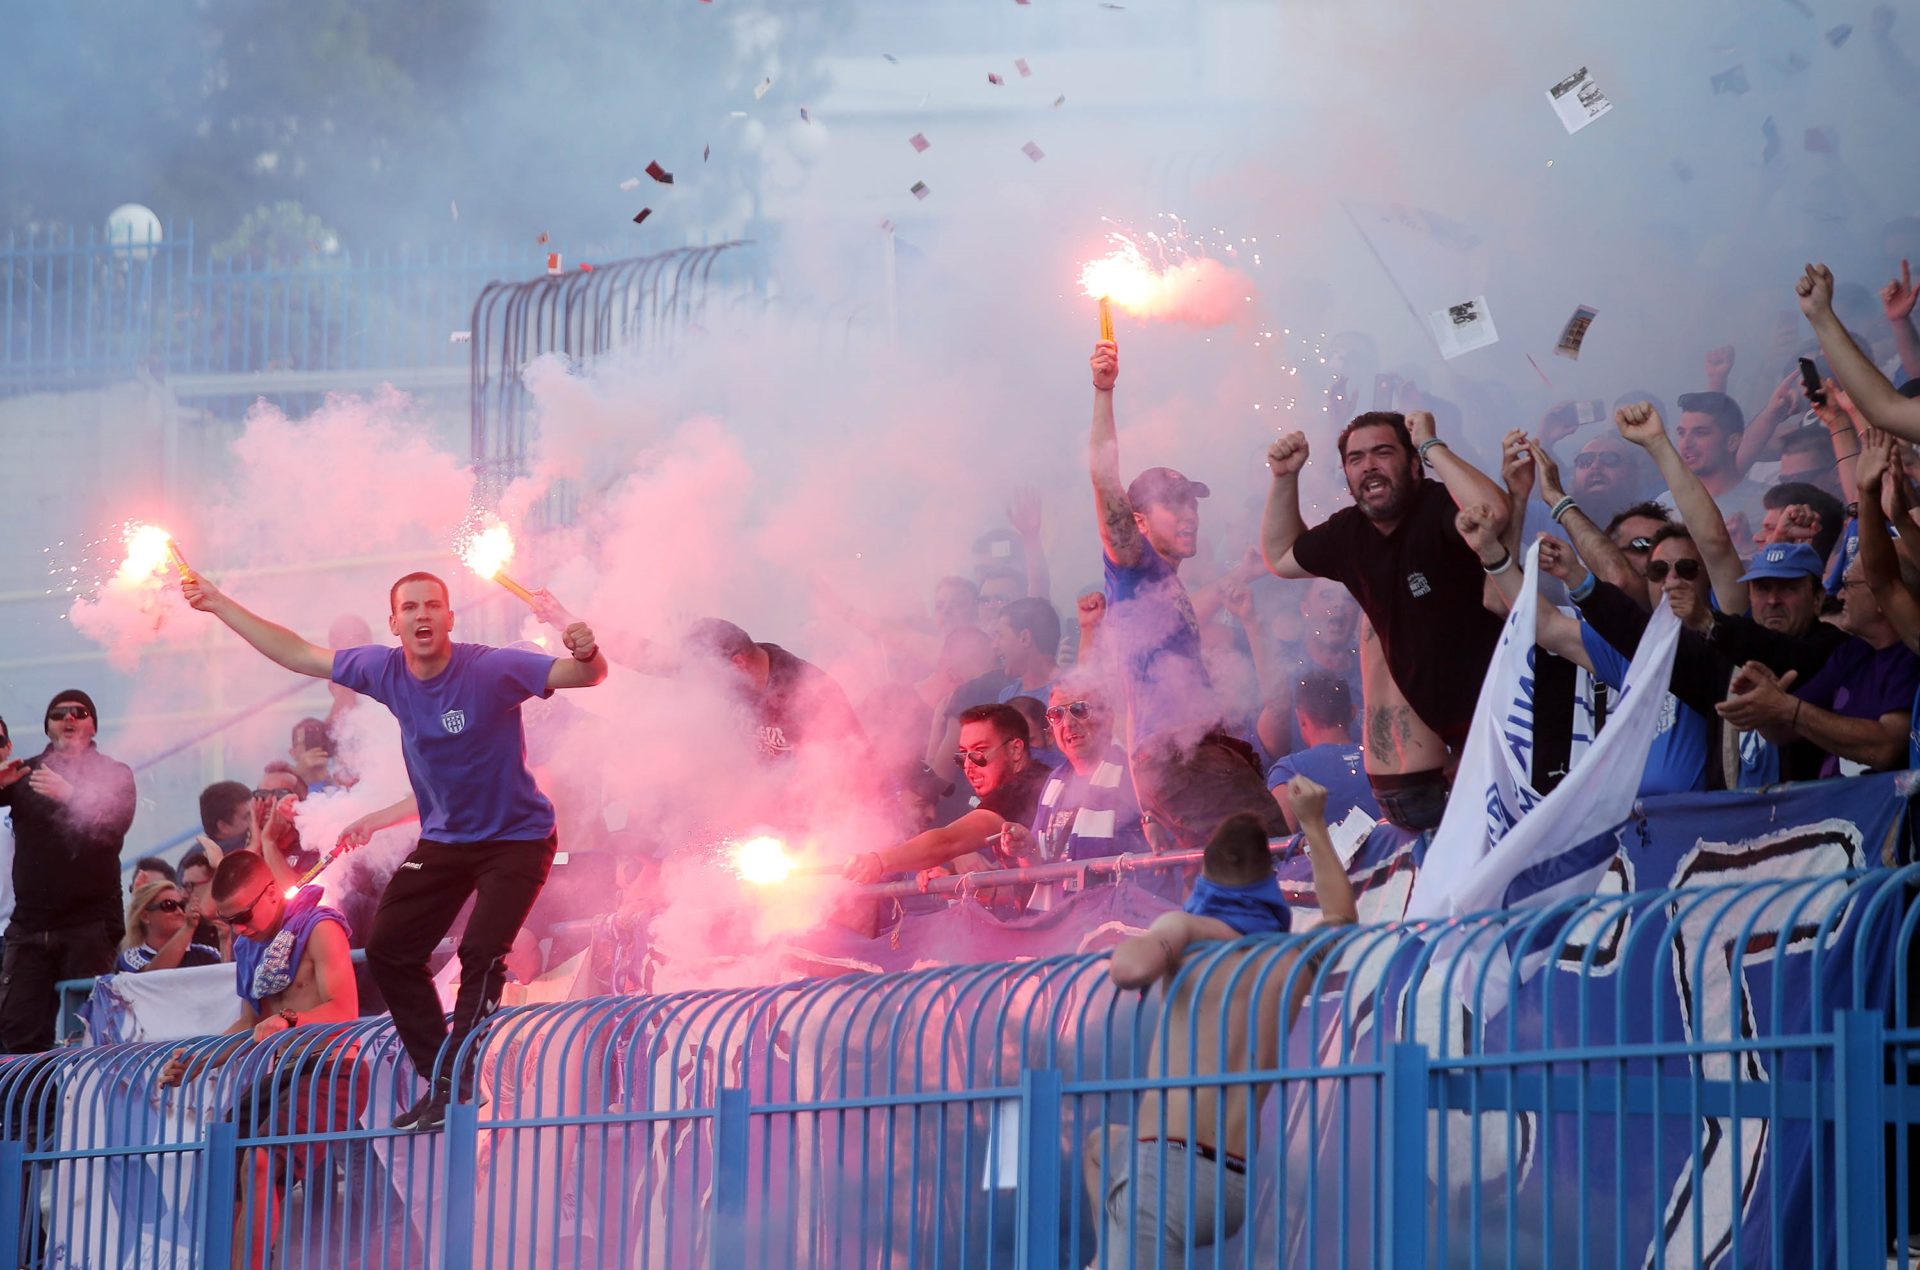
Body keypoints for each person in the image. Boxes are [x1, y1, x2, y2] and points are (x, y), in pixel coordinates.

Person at [183, 569, 607, 1131]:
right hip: (446, 841)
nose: (422, 615)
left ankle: (457, 1083)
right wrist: (217, 603)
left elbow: (587, 675)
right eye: (410, 607)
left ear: (450, 618)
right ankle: (446, 1081)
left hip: (517, 839)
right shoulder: (383, 669)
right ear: (394, 622)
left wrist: (587, 649)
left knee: (481, 950)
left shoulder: (489, 667)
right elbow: (297, 654)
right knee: (388, 949)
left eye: (433, 605)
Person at [1097, 781, 1357, 1269]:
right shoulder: (1290, 958)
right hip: (1228, 1186)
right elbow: (1342, 917)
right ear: (1267, 885)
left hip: (1165, 1171)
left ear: (1205, 878)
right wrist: (1313, 822)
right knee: (1101, 1148)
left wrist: (1165, 940)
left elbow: (1128, 970)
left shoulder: (1192, 931)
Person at [1086, 339, 1288, 851]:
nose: (1189, 514)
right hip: (1183, 761)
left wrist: (1145, 798)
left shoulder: (1164, 586)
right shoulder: (1134, 567)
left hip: (1178, 761)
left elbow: (1135, 688)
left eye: (1192, 504)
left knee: (1232, 875)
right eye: (1173, 505)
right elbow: (1104, 479)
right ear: (1137, 521)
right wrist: (1104, 392)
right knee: (1275, 859)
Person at [1262, 407, 1507, 766]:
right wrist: (1285, 478)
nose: (1369, 466)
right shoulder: (1349, 532)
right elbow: (1281, 557)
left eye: (1383, 452)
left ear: (1413, 465)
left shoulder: (1437, 505)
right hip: (1456, 739)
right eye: (1356, 459)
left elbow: (1493, 513)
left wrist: (1430, 444)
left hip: (1513, 711)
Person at [157, 850, 360, 1270]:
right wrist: (197, 1060)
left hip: (333, 1070)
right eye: (228, 920)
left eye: (243, 916)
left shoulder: (320, 928)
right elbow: (250, 1025)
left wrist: (290, 1020)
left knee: (261, 1158)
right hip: (284, 1073)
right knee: (223, 1160)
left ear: (271, 892)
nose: (238, 929)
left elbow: (344, 1010)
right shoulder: (249, 947)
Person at [0, 690, 136, 1054]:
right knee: (18, 1033)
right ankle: (33, 1096)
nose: (69, 718)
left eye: (79, 712)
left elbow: (116, 827)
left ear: (93, 727)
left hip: (89, 926)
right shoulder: (25, 772)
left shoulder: (114, 774)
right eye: (59, 714)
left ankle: (84, 1095)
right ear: (48, 727)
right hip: (29, 926)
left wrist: (73, 796)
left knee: (89, 1034)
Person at [844, 704, 1050, 882]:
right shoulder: (1030, 783)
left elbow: (948, 842)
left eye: (979, 752)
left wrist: (879, 861)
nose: (968, 766)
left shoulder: (1019, 791)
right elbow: (1019, 889)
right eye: (963, 756)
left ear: (1015, 749)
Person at [999, 678, 1147, 910]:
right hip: (1060, 921)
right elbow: (1038, 869)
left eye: (1079, 709)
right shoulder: (1055, 781)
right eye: (1056, 714)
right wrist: (1025, 848)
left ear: (1108, 717)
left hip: (1116, 918)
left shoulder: (1133, 776)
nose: (1068, 723)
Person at [681, 617, 869, 765]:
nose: (706, 684)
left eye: (708, 674)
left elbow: (851, 768)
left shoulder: (811, 692)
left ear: (738, 663)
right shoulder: (741, 680)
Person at [1265, 671, 1379, 830]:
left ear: (1301, 718)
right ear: (1352, 712)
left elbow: (1281, 839)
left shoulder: (1289, 772)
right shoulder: (1380, 760)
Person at [1658, 391, 1771, 547]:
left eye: (1700, 433)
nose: (1685, 443)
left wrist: (1747, 546)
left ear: (1732, 442)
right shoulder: (1663, 505)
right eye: (1681, 433)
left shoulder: (1766, 505)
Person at [117, 881, 222, 973]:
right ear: (145, 916)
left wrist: (225, 942)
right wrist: (188, 927)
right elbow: (152, 977)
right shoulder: (131, 957)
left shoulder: (204, 953)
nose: (179, 911)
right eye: (169, 905)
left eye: (182, 905)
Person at [990, 597, 1063, 705]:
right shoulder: (1007, 696)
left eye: (1000, 635)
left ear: (1025, 638)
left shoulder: (1071, 696)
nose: (994, 646)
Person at [197, 780, 253, 857]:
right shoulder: (235, 857)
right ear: (224, 826)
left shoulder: (195, 856)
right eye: (246, 817)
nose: (254, 821)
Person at [288, 717, 340, 794]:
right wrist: (298, 776)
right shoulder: (285, 789)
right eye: (307, 742)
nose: (315, 747)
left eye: (319, 741)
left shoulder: (345, 786)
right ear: (293, 753)